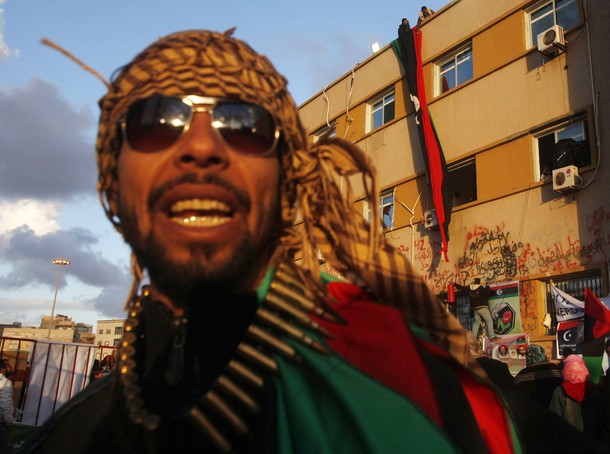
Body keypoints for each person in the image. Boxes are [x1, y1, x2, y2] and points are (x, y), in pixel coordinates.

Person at [26, 29, 606, 453]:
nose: (202, 144)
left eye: (243, 125)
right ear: (112, 175)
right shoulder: (75, 435)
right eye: (156, 119)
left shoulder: (437, 392)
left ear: (288, 181)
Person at [549, 354, 606, 440]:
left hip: (569, 441)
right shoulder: (592, 390)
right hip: (591, 440)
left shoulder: (560, 391)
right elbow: (601, 416)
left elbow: (554, 419)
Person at [514, 344, 562, 408]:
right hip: (555, 412)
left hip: (533, 414)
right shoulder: (555, 370)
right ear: (543, 354)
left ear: (527, 357)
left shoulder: (520, 377)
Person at [0, 359, 14, 454]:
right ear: (2, 370)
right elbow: (5, 404)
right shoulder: (5, 383)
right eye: (8, 366)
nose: (11, 367)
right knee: (6, 449)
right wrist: (8, 421)